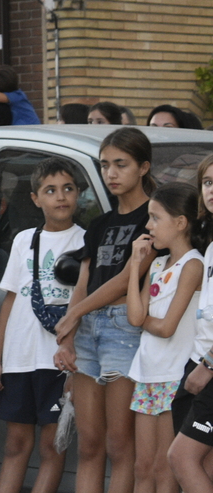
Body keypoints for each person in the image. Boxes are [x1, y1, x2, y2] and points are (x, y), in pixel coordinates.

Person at [54, 127, 156, 493]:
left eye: (121, 164)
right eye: (104, 165)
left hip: (124, 332)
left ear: (143, 167)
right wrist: (67, 334)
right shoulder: (99, 224)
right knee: (90, 444)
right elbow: (85, 279)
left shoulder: (153, 217)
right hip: (87, 332)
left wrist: (74, 312)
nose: (111, 173)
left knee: (119, 444)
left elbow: (131, 275)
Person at [0, 158, 86, 493]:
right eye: (51, 190)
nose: (61, 197)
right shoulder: (23, 240)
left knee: (51, 445)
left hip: (58, 362)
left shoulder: (87, 242)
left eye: (68, 189)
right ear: (35, 198)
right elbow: (11, 301)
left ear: (78, 195)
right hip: (19, 358)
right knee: (15, 444)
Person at [126, 183, 204, 493]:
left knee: (164, 468)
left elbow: (167, 326)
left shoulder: (194, 265)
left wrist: (146, 320)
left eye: (155, 218)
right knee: (142, 466)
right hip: (147, 375)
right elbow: (135, 317)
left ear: (181, 222)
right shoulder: (158, 263)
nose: (148, 226)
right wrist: (135, 265)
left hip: (175, 377)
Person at [167, 155, 213, 492]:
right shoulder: (210, 247)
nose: (212, 190)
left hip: (209, 368)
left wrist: (208, 365)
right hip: (199, 362)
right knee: (203, 468)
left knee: (181, 458)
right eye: (208, 182)